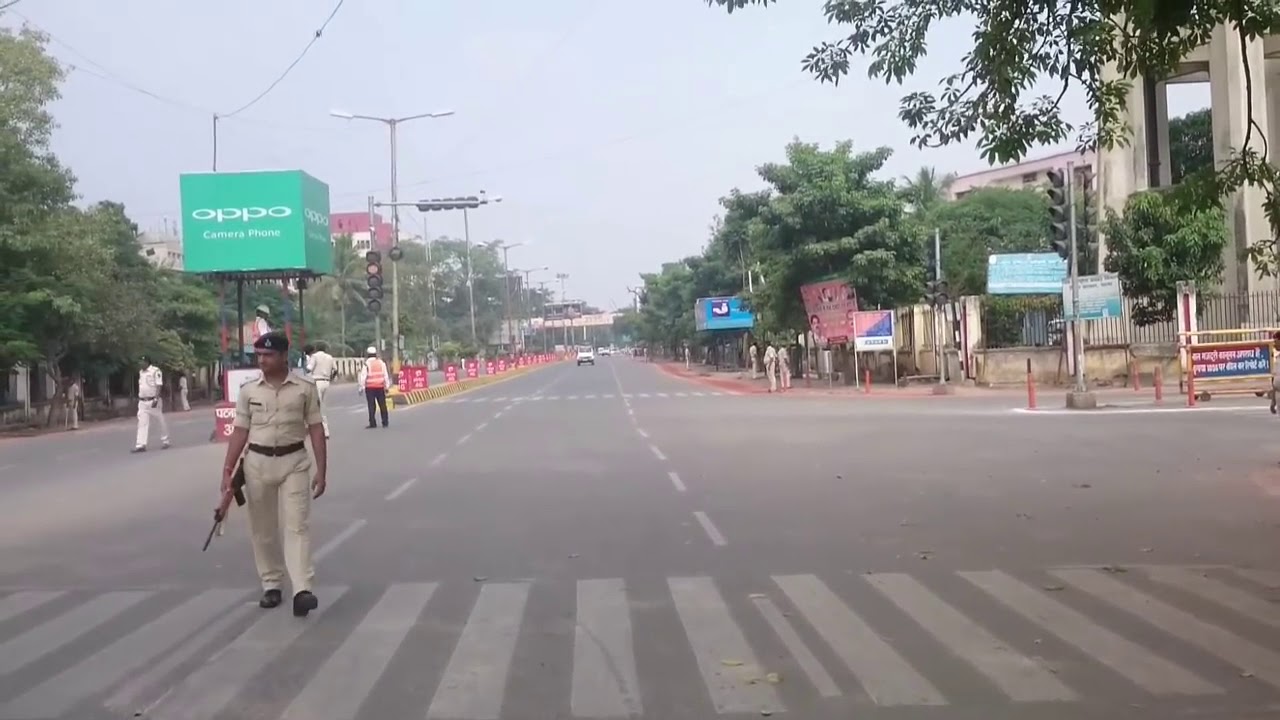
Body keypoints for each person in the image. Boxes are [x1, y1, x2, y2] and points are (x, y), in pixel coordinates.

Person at [221, 331, 327, 617]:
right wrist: (228, 471)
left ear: (283, 356)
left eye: (268, 355)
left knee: (297, 526)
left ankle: (302, 589)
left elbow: (316, 428)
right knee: (263, 528)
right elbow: (240, 431)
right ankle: (271, 584)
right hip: (257, 463)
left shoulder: (304, 388)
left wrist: (322, 470)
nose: (262, 360)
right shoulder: (249, 391)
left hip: (294, 461)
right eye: (259, 355)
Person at [133, 355, 170, 452]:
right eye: (139, 362)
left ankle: (165, 440)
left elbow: (159, 385)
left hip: (153, 400)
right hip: (142, 401)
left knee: (159, 420)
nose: (140, 364)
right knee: (142, 423)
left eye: (142, 362)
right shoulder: (141, 372)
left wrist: (156, 399)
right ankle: (140, 444)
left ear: (147, 362)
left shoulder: (155, 371)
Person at [304, 342, 336, 438]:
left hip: (317, 381)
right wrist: (330, 378)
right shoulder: (330, 357)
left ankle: (321, 430)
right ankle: (326, 431)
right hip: (326, 382)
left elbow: (309, 368)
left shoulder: (314, 356)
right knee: (323, 406)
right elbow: (335, 370)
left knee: (316, 407)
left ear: (316, 348)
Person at [359, 345, 389, 429]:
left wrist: (361, 387)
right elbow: (385, 375)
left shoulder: (366, 364)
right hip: (380, 387)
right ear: (375, 354)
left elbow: (363, 376)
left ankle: (372, 422)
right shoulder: (381, 362)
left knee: (371, 406)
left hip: (370, 387)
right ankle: (385, 422)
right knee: (383, 405)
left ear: (368, 354)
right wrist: (387, 386)